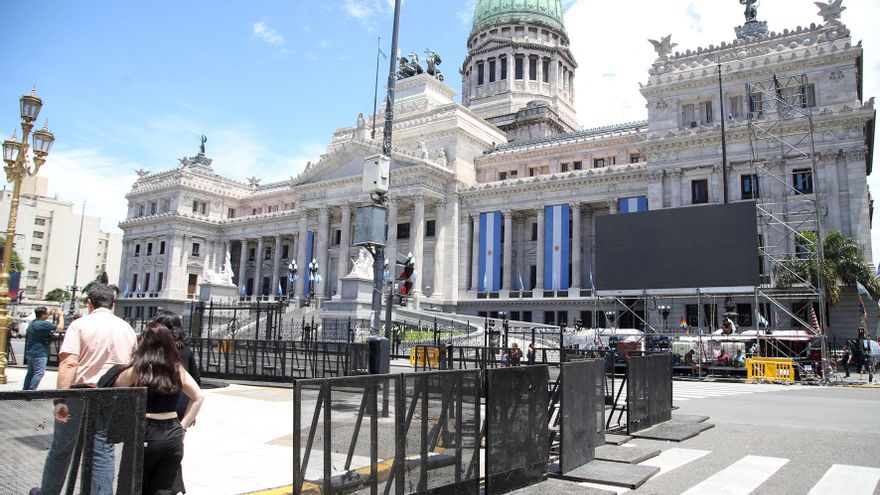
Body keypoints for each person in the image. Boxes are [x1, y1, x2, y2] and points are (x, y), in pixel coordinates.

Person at [31, 284, 137, 495]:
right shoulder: (127, 328)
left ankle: (49, 492)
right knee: (104, 451)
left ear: (90, 304)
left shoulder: (80, 325)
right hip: (113, 394)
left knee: (62, 448)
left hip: (80, 393)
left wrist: (60, 399)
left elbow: (69, 363)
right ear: (113, 304)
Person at [112, 323, 204, 495]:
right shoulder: (176, 369)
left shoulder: (139, 370)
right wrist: (183, 425)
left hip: (146, 429)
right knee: (164, 488)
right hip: (172, 432)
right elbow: (198, 397)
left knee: (132, 484)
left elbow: (115, 387)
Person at [152, 311, 200, 495]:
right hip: (181, 403)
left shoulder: (157, 349)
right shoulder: (185, 350)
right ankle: (173, 485)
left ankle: (167, 484)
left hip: (162, 402)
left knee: (163, 448)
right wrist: (191, 412)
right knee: (174, 446)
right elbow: (196, 380)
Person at [23, 307, 64, 390]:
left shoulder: (34, 323)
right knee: (39, 373)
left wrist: (48, 313)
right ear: (42, 315)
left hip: (31, 352)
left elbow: (43, 318)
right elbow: (60, 328)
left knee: (30, 372)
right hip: (40, 353)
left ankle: (25, 390)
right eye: (46, 314)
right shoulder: (43, 324)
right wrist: (61, 315)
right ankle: (31, 390)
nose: (47, 315)